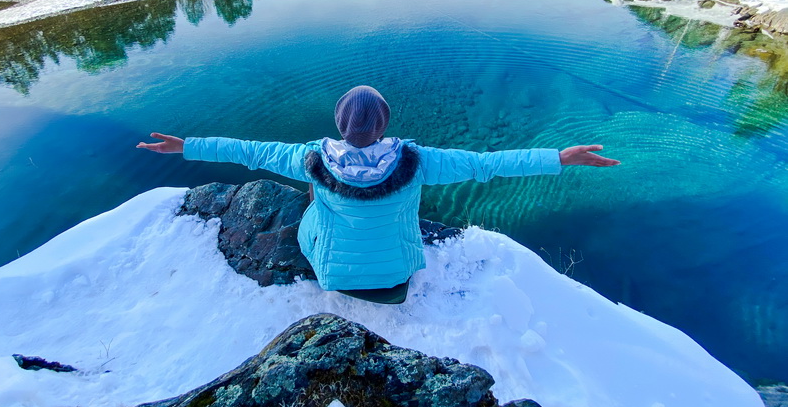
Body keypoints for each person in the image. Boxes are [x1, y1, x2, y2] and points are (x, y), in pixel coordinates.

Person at [138, 85, 619, 304]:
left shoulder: (310, 157)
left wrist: (187, 146)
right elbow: (488, 165)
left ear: (340, 124)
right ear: (384, 124)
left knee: (313, 206)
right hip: (396, 276)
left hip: (333, 275)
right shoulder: (419, 159)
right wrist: (559, 156)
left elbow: (247, 151)